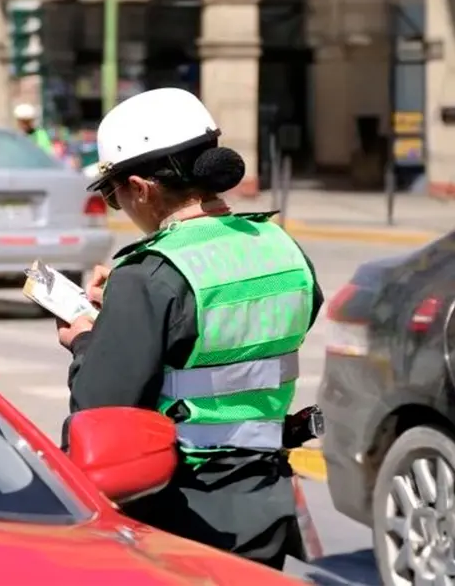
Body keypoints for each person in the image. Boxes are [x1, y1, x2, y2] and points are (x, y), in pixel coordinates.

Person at [56, 88, 324, 570]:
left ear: (140, 188)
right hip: (265, 499)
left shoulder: (148, 276)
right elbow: (231, 322)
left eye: (114, 196)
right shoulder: (281, 248)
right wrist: (130, 307)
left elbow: (100, 407)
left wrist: (85, 339)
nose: (120, 207)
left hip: (179, 507)